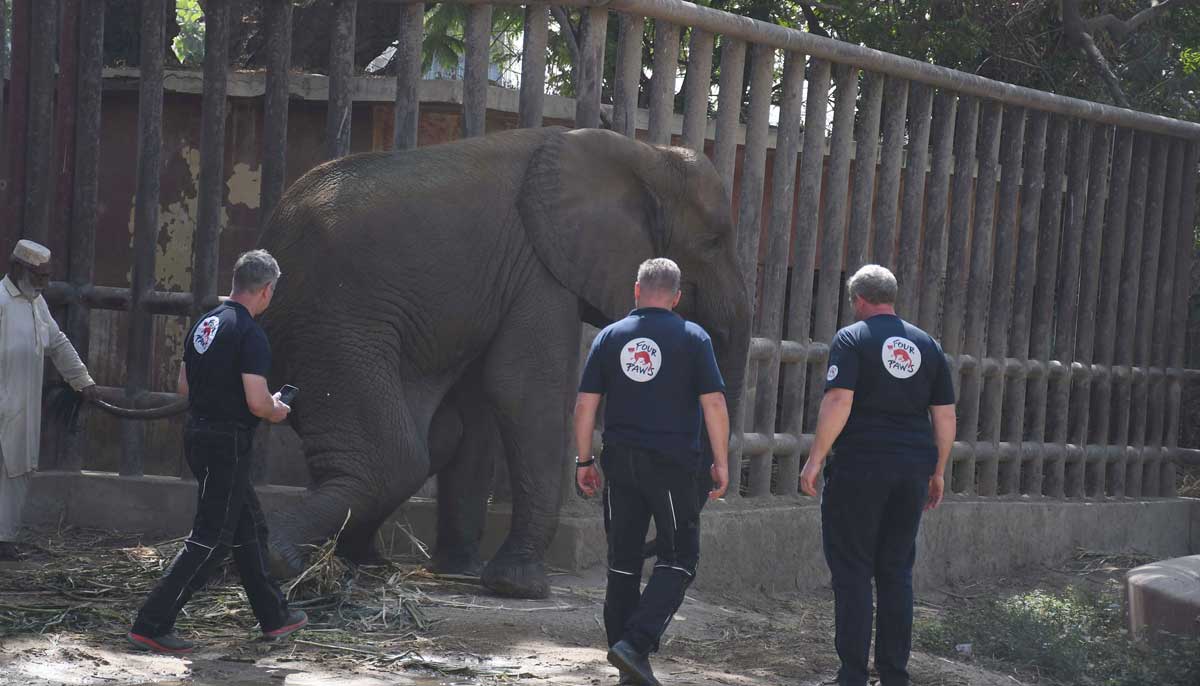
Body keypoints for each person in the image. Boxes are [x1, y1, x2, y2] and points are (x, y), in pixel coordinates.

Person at [128, 249, 306, 654]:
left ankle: (274, 616)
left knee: (248, 527)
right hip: (227, 442)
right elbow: (259, 403)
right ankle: (151, 624)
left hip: (199, 433)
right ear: (265, 291)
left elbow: (184, 388)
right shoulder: (250, 334)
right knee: (211, 538)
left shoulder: (205, 324)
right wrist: (278, 408)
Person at [574, 258, 730, 686]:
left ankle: (627, 663)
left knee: (622, 562)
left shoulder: (609, 337)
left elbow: (586, 404)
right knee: (680, 558)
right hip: (672, 463)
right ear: (677, 297)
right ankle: (636, 644)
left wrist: (584, 460)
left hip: (620, 459)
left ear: (636, 290)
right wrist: (721, 461)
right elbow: (714, 404)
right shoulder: (693, 338)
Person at [799, 264, 957, 686]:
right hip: (912, 469)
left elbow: (838, 401)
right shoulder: (928, 345)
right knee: (895, 571)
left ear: (859, 300)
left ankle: (851, 674)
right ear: (892, 297)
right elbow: (944, 415)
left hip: (860, 467)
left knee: (852, 570)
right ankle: (894, 674)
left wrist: (815, 458)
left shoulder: (852, 339)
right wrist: (938, 470)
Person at [0, 240, 100, 561]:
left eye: (47, 277)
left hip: (22, 407)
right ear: (18, 269)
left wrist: (82, 380)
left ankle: (4, 538)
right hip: (3, 402)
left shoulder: (37, 303)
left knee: (17, 473)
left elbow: (57, 344)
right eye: (39, 276)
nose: (44, 283)